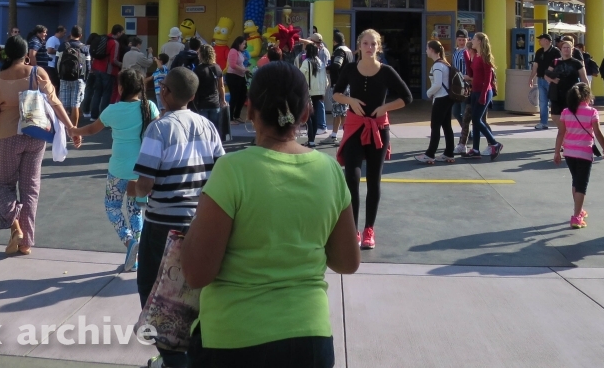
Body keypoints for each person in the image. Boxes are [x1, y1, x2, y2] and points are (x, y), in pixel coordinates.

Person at [181, 61, 359, 367]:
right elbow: (347, 261)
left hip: (233, 338)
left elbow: (197, 272)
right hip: (310, 338)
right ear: (305, 114)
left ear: (250, 111)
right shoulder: (329, 170)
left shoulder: (232, 171)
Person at [128, 67, 224, 368]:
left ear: (166, 92)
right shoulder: (208, 126)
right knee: (193, 294)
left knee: (155, 293)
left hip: (161, 226)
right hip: (198, 223)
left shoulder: (158, 129)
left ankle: (172, 358)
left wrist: (126, 188)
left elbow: (145, 184)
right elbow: (220, 172)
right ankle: (192, 353)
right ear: (194, 96)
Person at [0, 36, 79, 256]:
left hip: (8, 137)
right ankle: (26, 243)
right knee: (30, 189)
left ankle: (15, 227)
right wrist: (71, 128)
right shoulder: (38, 73)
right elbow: (55, 102)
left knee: (4, 185)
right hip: (36, 135)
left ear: (6, 55)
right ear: (26, 54)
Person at [68, 68, 158, 271]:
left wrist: (75, 131)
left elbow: (92, 129)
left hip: (118, 170)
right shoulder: (150, 107)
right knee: (135, 211)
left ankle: (129, 242)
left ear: (120, 88)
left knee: (112, 207)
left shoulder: (112, 110)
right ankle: (136, 258)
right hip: (141, 170)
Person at [332, 29, 413, 250]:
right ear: (359, 46)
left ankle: (369, 229)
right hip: (355, 127)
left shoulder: (386, 71)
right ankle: (353, 229)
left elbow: (407, 97)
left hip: (378, 128)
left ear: (378, 47)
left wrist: (384, 108)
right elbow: (336, 93)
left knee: (374, 181)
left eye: (373, 44)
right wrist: (350, 100)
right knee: (352, 178)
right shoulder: (349, 69)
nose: (369, 48)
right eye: (365, 44)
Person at [553, 82, 604, 229]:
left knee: (576, 181)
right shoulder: (592, 112)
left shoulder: (566, 112)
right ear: (587, 96)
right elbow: (597, 132)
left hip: (569, 152)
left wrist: (556, 152)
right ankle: (576, 216)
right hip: (584, 152)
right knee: (581, 186)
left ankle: (578, 210)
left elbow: (561, 133)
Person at [416, 40, 456, 164]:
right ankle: (449, 153)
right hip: (448, 98)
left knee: (435, 126)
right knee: (446, 126)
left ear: (432, 50)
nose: (426, 51)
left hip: (441, 98)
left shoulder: (437, 66)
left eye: (427, 48)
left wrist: (428, 92)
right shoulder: (445, 64)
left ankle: (430, 154)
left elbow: (437, 84)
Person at [465, 32, 503, 161]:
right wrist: (467, 57)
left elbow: (488, 79)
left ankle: (494, 143)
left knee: (476, 119)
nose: (472, 40)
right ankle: (475, 150)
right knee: (475, 122)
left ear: (480, 41)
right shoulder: (475, 56)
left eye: (474, 39)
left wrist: (484, 94)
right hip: (475, 91)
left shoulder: (485, 58)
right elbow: (471, 74)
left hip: (483, 91)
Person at [545, 40, 590, 129]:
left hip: (572, 93)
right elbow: (546, 75)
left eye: (568, 47)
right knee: (555, 115)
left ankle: (568, 131)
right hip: (556, 93)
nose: (566, 49)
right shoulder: (555, 62)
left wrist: (587, 95)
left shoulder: (577, 63)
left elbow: (584, 79)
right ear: (561, 49)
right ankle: (563, 129)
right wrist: (553, 80)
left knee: (571, 114)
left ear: (572, 49)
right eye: (564, 48)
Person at [88, 25, 124, 120]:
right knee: (106, 94)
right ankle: (104, 117)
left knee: (97, 93)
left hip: (97, 69)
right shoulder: (114, 43)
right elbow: (113, 60)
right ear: (119, 32)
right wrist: (122, 64)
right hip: (107, 71)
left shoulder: (103, 39)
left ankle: (93, 116)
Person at [528, 33, 560, 131]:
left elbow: (559, 65)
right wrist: (531, 78)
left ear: (546, 40)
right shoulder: (539, 52)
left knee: (554, 101)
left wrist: (554, 78)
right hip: (540, 79)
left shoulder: (555, 52)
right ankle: (543, 122)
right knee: (542, 102)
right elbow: (535, 66)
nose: (539, 41)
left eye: (540, 39)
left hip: (551, 81)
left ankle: (559, 121)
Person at [57, 26, 89, 124]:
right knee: (75, 105)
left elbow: (57, 63)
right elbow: (88, 66)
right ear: (81, 35)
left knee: (64, 105)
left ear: (71, 34)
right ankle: (73, 130)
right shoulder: (84, 48)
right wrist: (85, 80)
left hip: (64, 78)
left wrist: (60, 76)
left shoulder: (63, 46)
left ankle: (64, 129)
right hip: (78, 78)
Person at [327, 31, 353, 145]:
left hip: (339, 85)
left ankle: (341, 136)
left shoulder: (339, 51)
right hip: (347, 84)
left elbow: (337, 65)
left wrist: (328, 68)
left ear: (334, 41)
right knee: (343, 111)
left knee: (339, 112)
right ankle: (336, 135)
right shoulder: (349, 51)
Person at [300, 41, 328, 147]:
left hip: (309, 92)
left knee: (308, 117)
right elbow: (325, 79)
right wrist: (323, 91)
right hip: (319, 92)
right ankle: (312, 140)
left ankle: (311, 140)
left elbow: (300, 75)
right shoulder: (320, 62)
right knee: (314, 116)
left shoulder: (306, 62)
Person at [194, 44, 226, 130]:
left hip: (201, 103)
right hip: (215, 103)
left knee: (203, 129)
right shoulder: (217, 68)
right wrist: (223, 100)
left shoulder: (198, 69)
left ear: (202, 55)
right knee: (214, 129)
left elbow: (195, 87)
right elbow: (221, 86)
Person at [224, 36, 248, 123]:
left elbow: (240, 63)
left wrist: (244, 69)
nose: (244, 46)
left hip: (241, 77)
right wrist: (244, 69)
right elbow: (233, 65)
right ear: (238, 43)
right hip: (233, 76)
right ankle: (230, 118)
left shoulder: (239, 52)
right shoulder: (233, 51)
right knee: (234, 97)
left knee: (243, 96)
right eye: (243, 44)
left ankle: (237, 115)